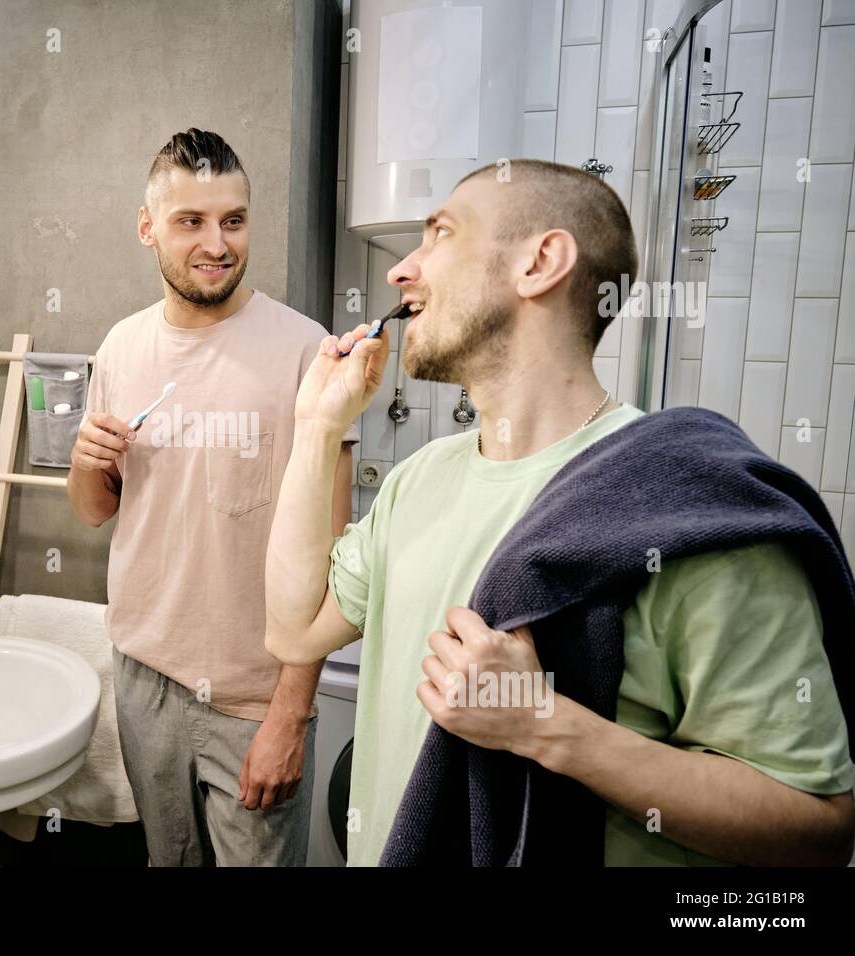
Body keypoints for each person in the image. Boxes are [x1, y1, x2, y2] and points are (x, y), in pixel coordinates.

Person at [263, 158, 855, 866]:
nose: (400, 270)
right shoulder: (418, 480)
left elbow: (818, 827)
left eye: (439, 235)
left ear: (541, 262)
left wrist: (542, 725)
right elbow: (294, 631)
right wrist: (316, 429)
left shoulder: (686, 503)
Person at [67, 129, 358, 865]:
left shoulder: (303, 350)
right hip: (144, 679)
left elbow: (335, 553)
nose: (217, 243)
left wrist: (290, 715)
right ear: (148, 228)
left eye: (233, 220)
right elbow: (97, 509)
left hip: (254, 695)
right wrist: (85, 461)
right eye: (190, 221)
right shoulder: (122, 348)